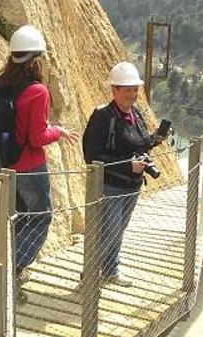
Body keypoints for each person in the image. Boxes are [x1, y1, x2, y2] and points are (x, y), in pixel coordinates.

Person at [0, 25, 78, 303]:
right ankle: (11, 274)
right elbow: (37, 137)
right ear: (36, 59)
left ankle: (7, 274)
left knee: (17, 221)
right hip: (29, 166)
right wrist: (59, 131)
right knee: (40, 218)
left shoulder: (2, 83)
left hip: (6, 165)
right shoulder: (38, 91)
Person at [82, 62, 164, 287]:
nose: (132, 94)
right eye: (127, 89)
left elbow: (138, 145)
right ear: (114, 90)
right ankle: (89, 276)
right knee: (108, 232)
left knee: (118, 232)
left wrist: (153, 140)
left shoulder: (134, 114)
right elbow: (92, 155)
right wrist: (127, 166)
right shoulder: (103, 116)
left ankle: (110, 271)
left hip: (131, 186)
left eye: (135, 89)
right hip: (111, 186)